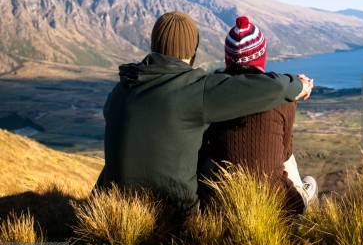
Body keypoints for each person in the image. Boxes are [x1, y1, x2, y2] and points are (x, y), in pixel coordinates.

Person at [97, 11, 313, 212]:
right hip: (172, 217)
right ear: (192, 51)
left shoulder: (122, 87)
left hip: (114, 209)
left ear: (153, 45)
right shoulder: (192, 90)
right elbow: (272, 88)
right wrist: (299, 85)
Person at [197, 16, 318, 214]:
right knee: (298, 169)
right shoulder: (282, 99)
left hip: (222, 203)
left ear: (228, 58)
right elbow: (285, 153)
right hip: (279, 205)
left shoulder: (213, 95)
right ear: (261, 57)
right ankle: (302, 204)